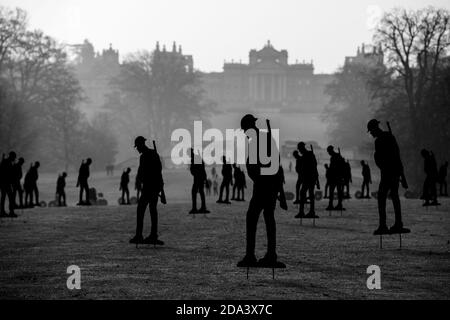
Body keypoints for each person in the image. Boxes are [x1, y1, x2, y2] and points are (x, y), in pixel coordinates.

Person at [237, 114, 285, 268]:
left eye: (245, 129)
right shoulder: (264, 139)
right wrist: (279, 190)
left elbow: (261, 166)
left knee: (252, 217)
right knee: (268, 218)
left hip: (263, 185)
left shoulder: (258, 141)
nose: (244, 132)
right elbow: (277, 166)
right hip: (268, 185)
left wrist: (258, 177)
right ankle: (271, 254)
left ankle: (252, 255)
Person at [367, 119, 410, 235]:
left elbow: (385, 158)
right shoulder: (389, 137)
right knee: (394, 197)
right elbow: (397, 157)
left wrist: (402, 175)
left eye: (371, 131)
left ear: (375, 128)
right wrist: (402, 175)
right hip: (394, 172)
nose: (371, 134)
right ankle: (398, 224)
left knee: (382, 197)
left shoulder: (380, 141)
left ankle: (383, 225)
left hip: (388, 173)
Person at [129, 136, 165, 245]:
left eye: (137, 147)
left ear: (141, 145)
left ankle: (140, 235)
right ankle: (153, 235)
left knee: (141, 210)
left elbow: (143, 172)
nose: (137, 149)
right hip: (154, 186)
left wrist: (139, 182)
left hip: (149, 187)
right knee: (152, 210)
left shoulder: (144, 156)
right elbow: (159, 171)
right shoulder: (153, 154)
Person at [295, 142, 319, 218]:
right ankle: (309, 211)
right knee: (309, 194)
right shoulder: (308, 155)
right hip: (310, 177)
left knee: (304, 193)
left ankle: (305, 212)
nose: (299, 151)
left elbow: (314, 167)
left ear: (302, 148)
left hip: (309, 178)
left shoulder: (307, 155)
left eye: (299, 149)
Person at [189, 148, 209, 214]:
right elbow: (202, 169)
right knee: (200, 191)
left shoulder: (196, 158)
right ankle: (203, 207)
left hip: (198, 177)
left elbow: (200, 169)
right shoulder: (196, 158)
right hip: (200, 177)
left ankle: (195, 208)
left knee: (194, 192)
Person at [326, 146, 345, 211]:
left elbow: (333, 167)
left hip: (335, 176)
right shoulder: (337, 156)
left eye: (328, 151)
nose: (328, 153)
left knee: (332, 191)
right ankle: (338, 204)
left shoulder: (334, 157)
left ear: (331, 150)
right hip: (338, 176)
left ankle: (333, 205)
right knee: (338, 191)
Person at [0, 152, 18, 217]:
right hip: (5, 183)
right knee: (7, 197)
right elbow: (5, 173)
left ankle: (5, 211)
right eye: (14, 157)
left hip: (6, 183)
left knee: (5, 197)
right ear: (11, 156)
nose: (14, 158)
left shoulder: (7, 162)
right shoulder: (6, 162)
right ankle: (6, 212)